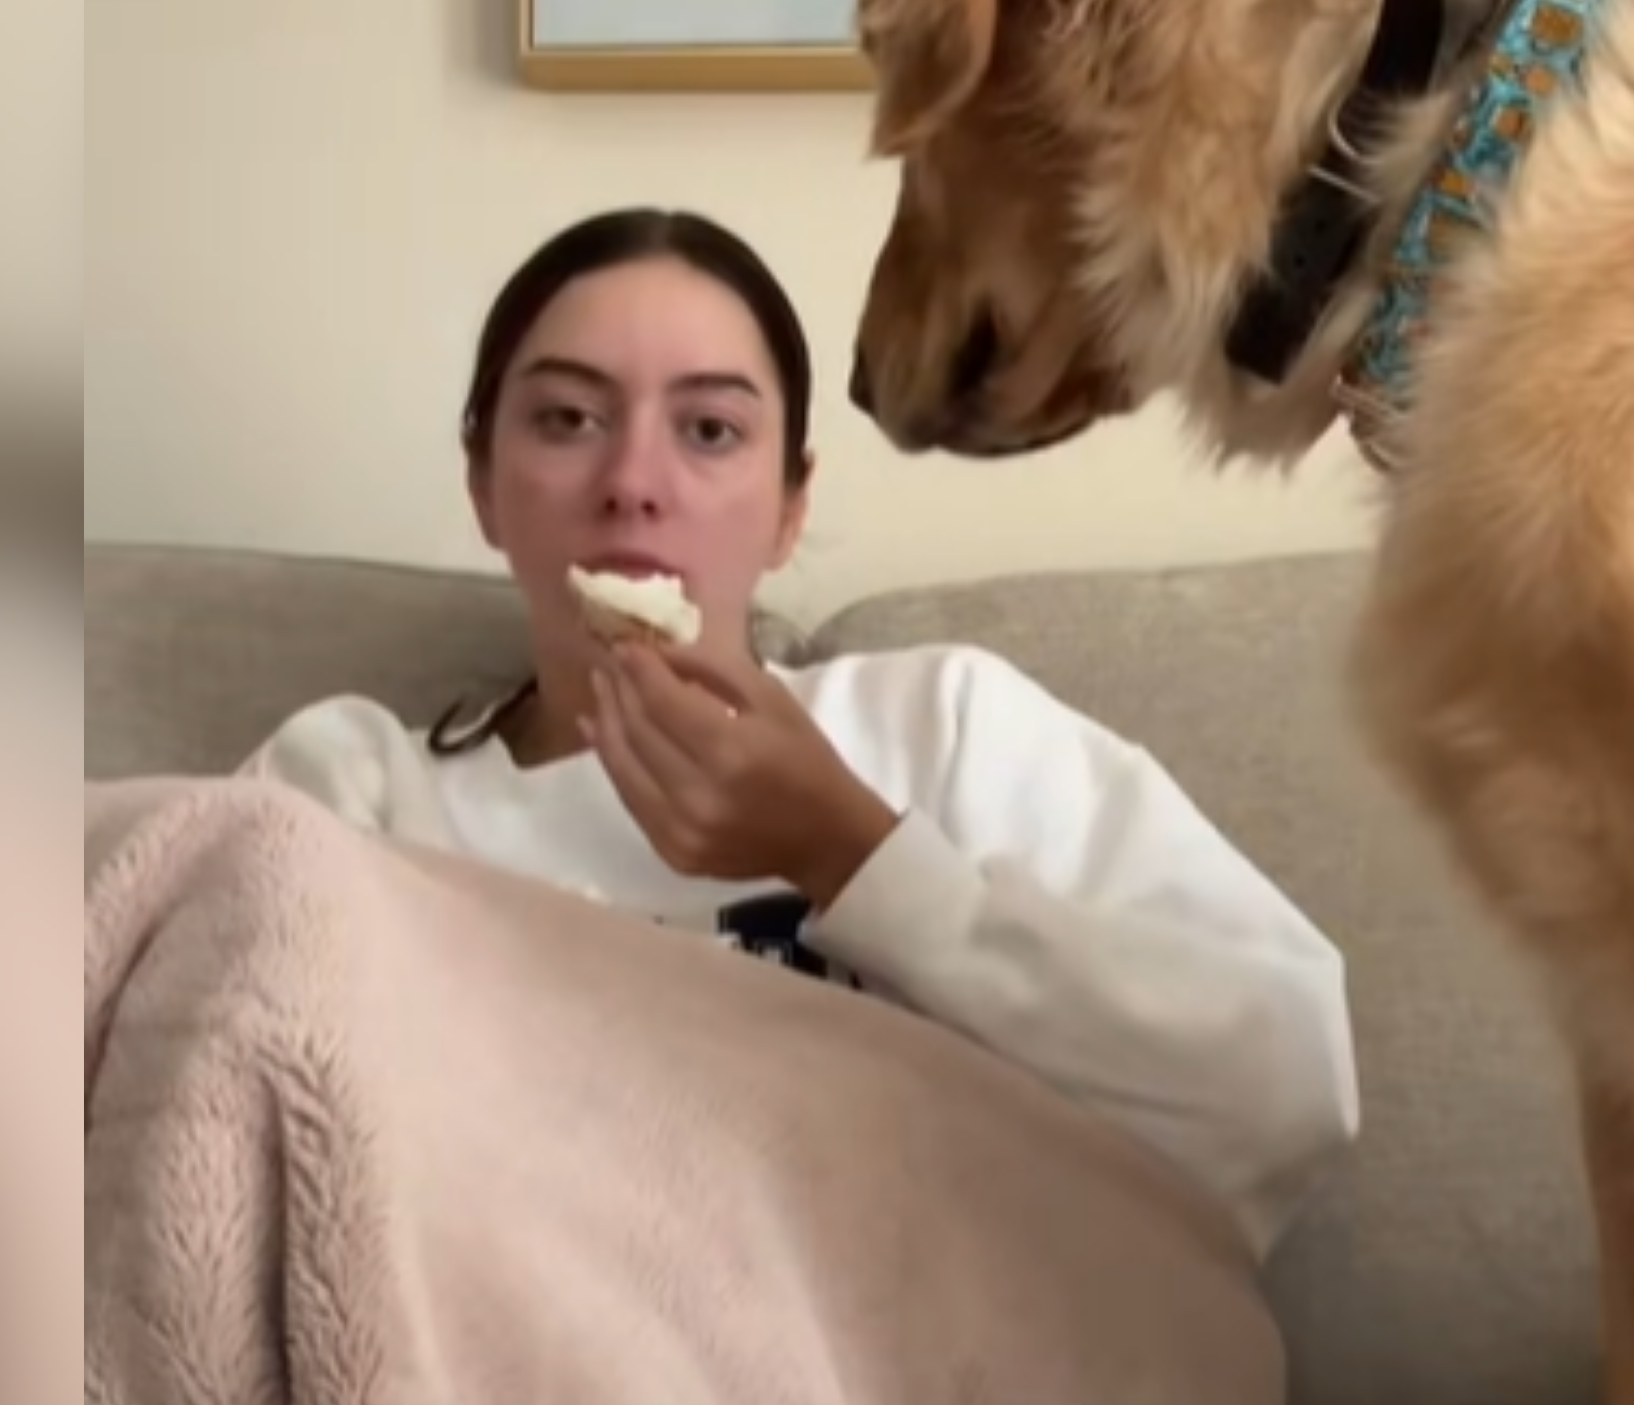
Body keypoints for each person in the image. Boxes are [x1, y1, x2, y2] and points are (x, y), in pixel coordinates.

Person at [240, 208, 1359, 1257]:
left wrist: (855, 854)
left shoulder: (948, 727)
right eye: (568, 418)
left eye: (711, 428)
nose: (634, 482)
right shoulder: (352, 788)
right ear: (484, 480)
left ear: (789, 505)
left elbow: (1286, 1090)